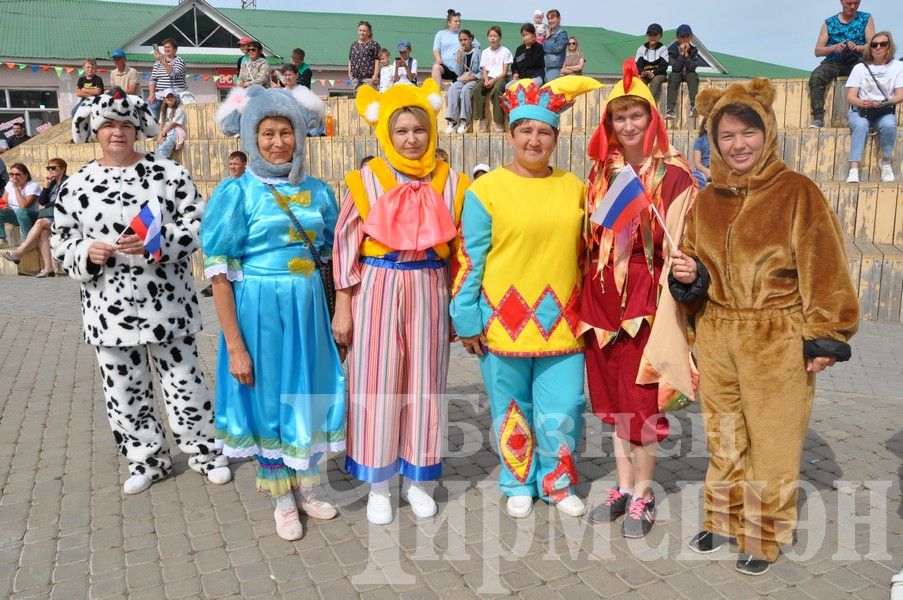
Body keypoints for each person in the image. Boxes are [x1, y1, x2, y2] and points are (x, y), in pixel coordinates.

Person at [670, 77, 859, 575]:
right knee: (724, 435)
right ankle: (723, 517)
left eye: (747, 133)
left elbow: (826, 267)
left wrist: (828, 335)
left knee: (774, 440)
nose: (738, 145)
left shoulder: (798, 192)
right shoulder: (706, 199)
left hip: (777, 336)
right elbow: (697, 265)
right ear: (713, 141)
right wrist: (688, 277)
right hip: (717, 332)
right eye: (726, 136)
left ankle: (764, 532)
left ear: (768, 131)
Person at [52, 88, 231, 495]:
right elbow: (61, 241)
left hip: (168, 304)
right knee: (124, 391)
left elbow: (199, 227)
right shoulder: (77, 185)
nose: (118, 132)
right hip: (108, 310)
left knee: (186, 382)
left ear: (138, 129)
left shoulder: (169, 173)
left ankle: (205, 452)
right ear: (95, 131)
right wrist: (85, 251)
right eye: (109, 125)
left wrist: (159, 241)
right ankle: (146, 461)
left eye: (126, 125)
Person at [451, 75, 601, 520]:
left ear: (555, 138)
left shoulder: (575, 189)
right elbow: (468, 260)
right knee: (510, 408)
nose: (534, 139)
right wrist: (468, 320)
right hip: (502, 324)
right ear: (511, 134)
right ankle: (517, 479)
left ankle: (557, 481)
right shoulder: (485, 191)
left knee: (564, 406)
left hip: (564, 324)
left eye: (544, 132)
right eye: (526, 130)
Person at [204, 84, 345, 540]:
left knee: (307, 393)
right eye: (267, 133)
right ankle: (281, 498)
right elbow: (219, 276)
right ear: (250, 137)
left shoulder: (320, 191)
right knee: (267, 400)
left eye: (286, 132)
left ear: (300, 136)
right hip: (258, 312)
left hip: (308, 313)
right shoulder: (235, 194)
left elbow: (335, 256)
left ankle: (306, 486)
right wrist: (234, 346)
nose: (278, 142)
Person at [333, 79, 469, 525]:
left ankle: (419, 481)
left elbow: (463, 250)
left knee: (426, 386)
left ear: (432, 130)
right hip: (379, 285)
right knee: (376, 382)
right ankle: (377, 483)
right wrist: (344, 305)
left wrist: (456, 308)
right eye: (402, 131)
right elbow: (346, 244)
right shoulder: (367, 179)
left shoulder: (453, 182)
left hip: (429, 286)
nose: (411, 139)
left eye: (419, 130)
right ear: (386, 137)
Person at [582, 60, 697, 538]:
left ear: (653, 121)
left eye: (637, 116)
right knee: (614, 403)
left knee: (643, 403)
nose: (628, 125)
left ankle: (645, 493)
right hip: (603, 304)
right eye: (619, 117)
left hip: (648, 305)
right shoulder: (600, 174)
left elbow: (685, 242)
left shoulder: (675, 177)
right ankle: (624, 486)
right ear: (609, 124)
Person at [844, 31, 902, 183]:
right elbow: (850, 97)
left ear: (889, 47)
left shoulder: (898, 66)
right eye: (874, 45)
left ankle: (886, 161)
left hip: (883, 110)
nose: (878, 47)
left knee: (889, 125)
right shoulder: (860, 68)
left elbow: (900, 95)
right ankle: (854, 169)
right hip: (861, 110)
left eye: (883, 44)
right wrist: (862, 102)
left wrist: (884, 102)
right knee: (861, 125)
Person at [809, 0, 876, 128]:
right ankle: (818, 118)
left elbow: (873, 45)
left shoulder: (866, 18)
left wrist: (857, 47)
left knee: (870, 76)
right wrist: (834, 47)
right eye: (849, 3)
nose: (852, 6)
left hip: (857, 61)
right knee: (816, 76)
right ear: (841, 1)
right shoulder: (829, 22)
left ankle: (869, 118)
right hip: (834, 61)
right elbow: (818, 51)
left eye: (856, 3)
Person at [2, 158, 67, 277]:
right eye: (49, 168)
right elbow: (42, 200)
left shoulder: (67, 182)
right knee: (43, 232)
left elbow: (60, 203)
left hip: (63, 217)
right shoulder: (52, 183)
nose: (50, 170)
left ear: (62, 169)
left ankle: (21, 250)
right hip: (50, 217)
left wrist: (16, 189)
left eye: (54, 168)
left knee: (39, 222)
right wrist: (47, 185)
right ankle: (48, 268)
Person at [472, 26, 513, 133]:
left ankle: (498, 122)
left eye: (495, 36)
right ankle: (482, 119)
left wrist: (493, 81)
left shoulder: (505, 51)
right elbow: (484, 70)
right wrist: (485, 80)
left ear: (500, 38)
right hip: (488, 77)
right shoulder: (485, 52)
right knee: (476, 89)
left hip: (500, 78)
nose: (492, 38)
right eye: (490, 36)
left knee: (497, 90)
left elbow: (504, 72)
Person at [445, 29, 482, 134]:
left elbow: (481, 71)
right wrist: (459, 58)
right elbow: (458, 72)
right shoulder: (461, 53)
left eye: (465, 39)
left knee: (466, 90)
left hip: (474, 79)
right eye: (461, 40)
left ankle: (464, 121)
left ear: (471, 39)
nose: (463, 42)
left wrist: (472, 78)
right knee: (453, 88)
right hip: (463, 78)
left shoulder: (478, 53)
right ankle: (453, 121)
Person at [666, 24, 705, 120]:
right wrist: (681, 54)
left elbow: (692, 68)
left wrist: (687, 55)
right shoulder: (672, 50)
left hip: (688, 73)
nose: (685, 39)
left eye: (687, 36)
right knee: (673, 77)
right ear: (677, 38)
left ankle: (694, 106)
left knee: (693, 76)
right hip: (678, 73)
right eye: (682, 37)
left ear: (691, 37)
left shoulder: (694, 50)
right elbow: (675, 68)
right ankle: (670, 109)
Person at [148, 39, 188, 119]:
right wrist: (151, 94)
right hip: (160, 95)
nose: (166, 49)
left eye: (168, 47)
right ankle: (156, 127)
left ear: (175, 49)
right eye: (165, 47)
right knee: (150, 105)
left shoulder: (179, 61)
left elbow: (174, 75)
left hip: (175, 94)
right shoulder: (157, 63)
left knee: (172, 116)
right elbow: (152, 80)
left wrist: (162, 60)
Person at [0, 163, 40, 240]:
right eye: (11, 174)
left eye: (18, 174)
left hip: (32, 216)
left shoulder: (33, 186)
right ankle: (1, 238)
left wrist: (16, 188)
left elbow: (23, 206)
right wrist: (4, 206)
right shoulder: (9, 184)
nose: (14, 177)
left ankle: (28, 240)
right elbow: (2, 202)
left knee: (20, 211)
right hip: (15, 216)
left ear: (26, 175)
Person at [636, 23, 668, 103]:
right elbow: (637, 66)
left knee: (656, 80)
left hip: (659, 74)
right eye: (650, 35)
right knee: (638, 81)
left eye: (655, 34)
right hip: (645, 75)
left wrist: (653, 73)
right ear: (647, 35)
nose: (652, 37)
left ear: (660, 36)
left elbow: (664, 67)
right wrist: (642, 73)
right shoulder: (641, 49)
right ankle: (637, 103)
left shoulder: (663, 48)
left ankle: (649, 103)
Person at [432, 9, 464, 85]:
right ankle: (436, 95)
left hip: (460, 69)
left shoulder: (463, 34)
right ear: (449, 23)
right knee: (436, 67)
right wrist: (438, 58)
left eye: (459, 21)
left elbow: (476, 46)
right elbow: (436, 50)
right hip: (445, 67)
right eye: (456, 21)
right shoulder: (441, 34)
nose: (458, 23)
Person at [154, 90, 186, 159]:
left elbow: (173, 124)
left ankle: (161, 161)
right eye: (167, 97)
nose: (170, 98)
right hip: (165, 132)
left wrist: (161, 134)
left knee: (166, 144)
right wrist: (160, 135)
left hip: (175, 131)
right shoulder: (163, 110)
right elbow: (161, 123)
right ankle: (159, 161)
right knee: (160, 145)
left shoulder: (179, 110)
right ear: (164, 99)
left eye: (171, 96)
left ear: (175, 98)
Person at [348, 21, 380, 89]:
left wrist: (375, 75)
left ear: (369, 32)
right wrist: (349, 73)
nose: (361, 33)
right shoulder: (353, 45)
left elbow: (377, 60)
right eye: (360, 30)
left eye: (364, 31)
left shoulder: (374, 44)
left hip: (369, 79)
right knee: (359, 98)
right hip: (355, 79)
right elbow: (350, 59)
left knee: (370, 99)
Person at [542, 9, 568, 82]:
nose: (550, 21)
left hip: (555, 68)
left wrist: (545, 43)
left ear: (559, 19)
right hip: (544, 67)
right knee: (545, 92)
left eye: (552, 18)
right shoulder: (546, 33)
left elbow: (557, 47)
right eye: (548, 19)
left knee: (552, 90)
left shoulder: (562, 33)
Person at [692, 117, 711, 187]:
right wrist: (706, 170)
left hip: (718, 169)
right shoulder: (700, 141)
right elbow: (697, 163)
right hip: (703, 170)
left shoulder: (720, 140)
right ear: (706, 127)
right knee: (695, 178)